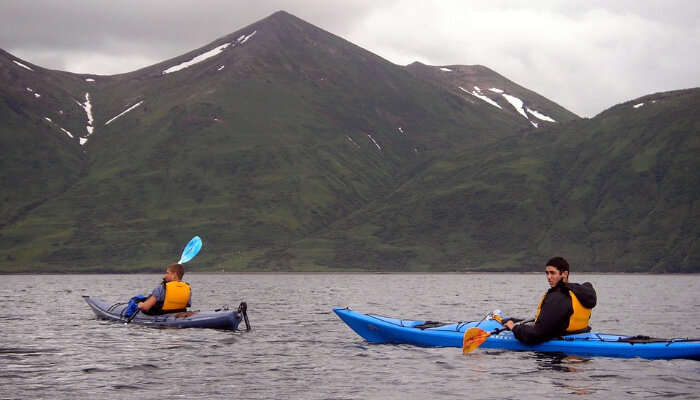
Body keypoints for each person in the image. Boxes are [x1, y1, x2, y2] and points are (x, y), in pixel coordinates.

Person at [503, 257, 596, 345]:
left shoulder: (558, 297)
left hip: (560, 353)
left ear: (564, 274)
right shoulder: (580, 292)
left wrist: (514, 327)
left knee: (514, 325)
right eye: (547, 273)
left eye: (552, 273)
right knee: (512, 320)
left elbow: (535, 335)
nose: (548, 277)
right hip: (581, 335)